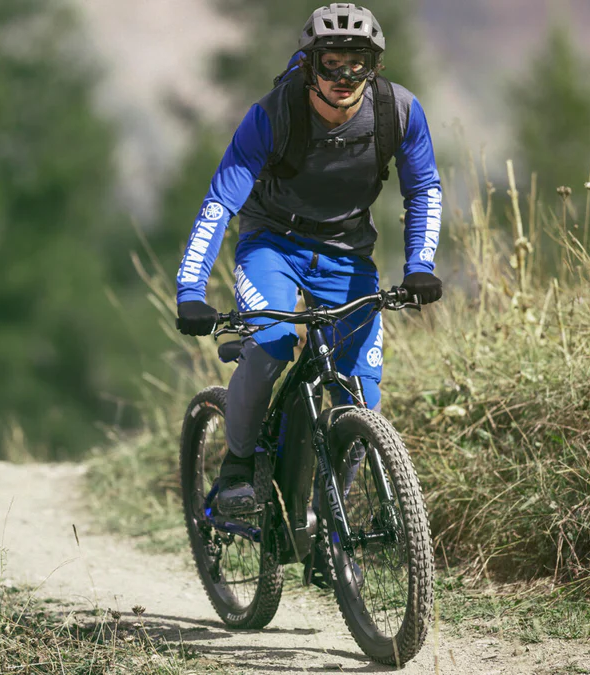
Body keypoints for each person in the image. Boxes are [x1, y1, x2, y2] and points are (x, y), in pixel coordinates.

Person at [174, 3, 443, 516]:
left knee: (361, 396)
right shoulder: (273, 114)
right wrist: (191, 291)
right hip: (272, 245)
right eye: (331, 63)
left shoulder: (399, 112)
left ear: (375, 65)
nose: (344, 77)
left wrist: (419, 266)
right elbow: (220, 202)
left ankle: (327, 519)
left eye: (357, 63)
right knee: (272, 345)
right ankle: (237, 466)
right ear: (308, 64)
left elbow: (424, 189)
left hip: (347, 253)